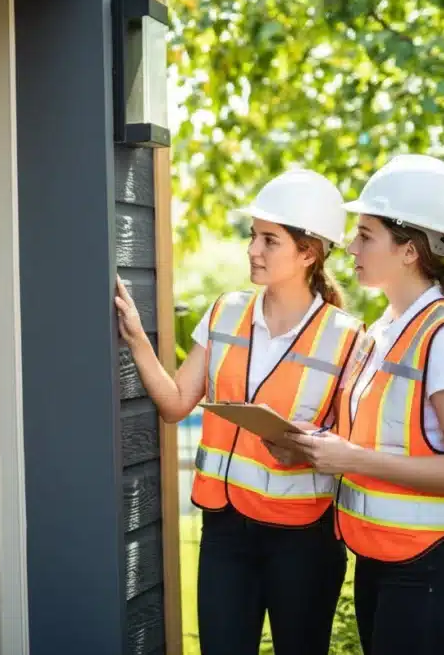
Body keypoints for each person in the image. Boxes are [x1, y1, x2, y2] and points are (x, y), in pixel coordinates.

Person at [114, 169, 364, 655]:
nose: (253, 250)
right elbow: (175, 405)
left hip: (303, 539)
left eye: (270, 240)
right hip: (225, 530)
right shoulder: (225, 312)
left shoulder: (348, 338)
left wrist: (305, 448)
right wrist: (139, 338)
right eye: (253, 236)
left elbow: (355, 447)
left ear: (308, 253)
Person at [288, 154, 444, 655]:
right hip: (383, 559)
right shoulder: (385, 331)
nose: (350, 246)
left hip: (431, 569)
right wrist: (314, 446)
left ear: (409, 250)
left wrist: (351, 459)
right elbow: (383, 439)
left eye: (365, 235)